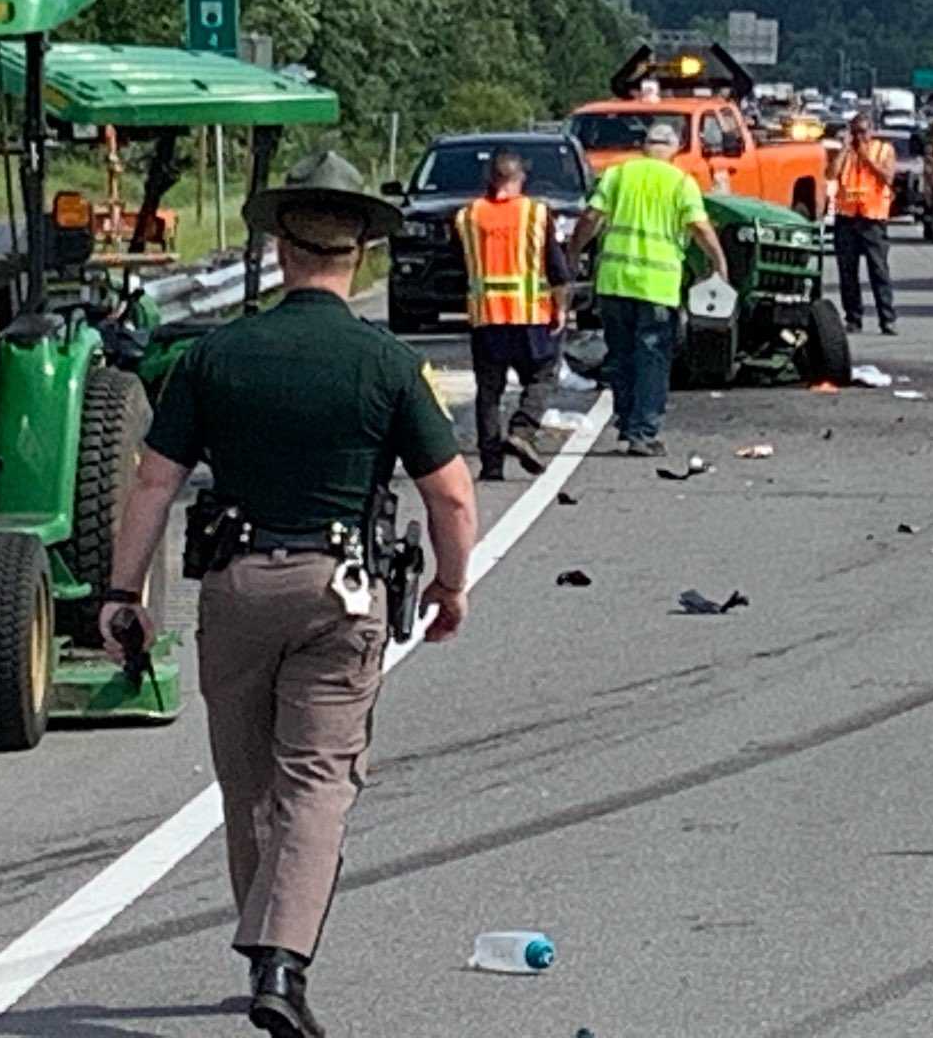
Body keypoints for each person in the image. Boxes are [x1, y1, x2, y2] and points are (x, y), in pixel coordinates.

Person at [98, 151, 479, 1038]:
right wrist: (453, 585)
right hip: (340, 592)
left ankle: (261, 935)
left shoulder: (214, 354)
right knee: (317, 780)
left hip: (234, 586)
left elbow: (153, 484)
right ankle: (282, 962)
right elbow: (450, 493)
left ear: (278, 247)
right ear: (359, 256)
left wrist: (122, 591)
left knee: (249, 781)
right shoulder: (385, 364)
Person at [568, 122, 727, 457]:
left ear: (644, 146)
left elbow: (590, 218)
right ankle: (643, 432)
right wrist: (719, 264)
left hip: (615, 281)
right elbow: (699, 227)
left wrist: (573, 254)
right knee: (652, 360)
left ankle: (627, 423)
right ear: (674, 148)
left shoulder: (618, 175)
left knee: (620, 356)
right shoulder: (680, 182)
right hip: (657, 286)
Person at [454, 149, 570, 481]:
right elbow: (557, 270)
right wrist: (561, 308)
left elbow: (461, 266)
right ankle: (522, 430)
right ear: (519, 179)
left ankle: (491, 465)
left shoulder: (468, 216)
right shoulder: (535, 214)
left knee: (489, 391)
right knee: (542, 376)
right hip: (530, 314)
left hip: (486, 318)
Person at [829, 111, 898, 334]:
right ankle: (853, 318)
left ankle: (887, 319)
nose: (859, 136)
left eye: (863, 131)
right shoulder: (846, 153)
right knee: (847, 272)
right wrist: (844, 149)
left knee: (879, 271)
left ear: (871, 131)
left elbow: (888, 177)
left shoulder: (883, 150)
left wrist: (867, 158)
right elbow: (831, 174)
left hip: (873, 218)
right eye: (855, 132)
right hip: (847, 217)